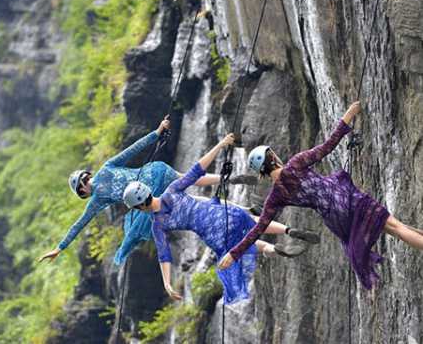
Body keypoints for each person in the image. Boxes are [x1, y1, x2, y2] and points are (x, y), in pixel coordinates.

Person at [219, 101, 423, 290]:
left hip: (336, 221)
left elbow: (258, 229)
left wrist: (233, 254)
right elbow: (328, 146)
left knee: (392, 229)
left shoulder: (276, 197)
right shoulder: (296, 163)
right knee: (396, 227)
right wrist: (348, 117)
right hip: (346, 198)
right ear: (272, 157)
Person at [123, 134, 319, 304]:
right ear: (149, 192)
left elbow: (164, 255)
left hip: (213, 234)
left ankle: (272, 249)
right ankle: (288, 230)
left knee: (247, 245)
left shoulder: (158, 225)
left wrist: (167, 283)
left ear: (139, 207)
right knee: (254, 222)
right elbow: (196, 170)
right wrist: (220, 145)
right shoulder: (172, 190)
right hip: (220, 211)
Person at [39, 117, 246, 263]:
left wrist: (60, 248)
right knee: (188, 178)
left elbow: (80, 224)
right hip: (156, 172)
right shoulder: (106, 168)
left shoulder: (97, 200)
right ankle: (229, 179)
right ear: (87, 176)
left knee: (189, 203)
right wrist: (157, 132)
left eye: (81, 190)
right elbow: (134, 148)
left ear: (83, 190)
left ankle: (239, 206)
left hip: (148, 194)